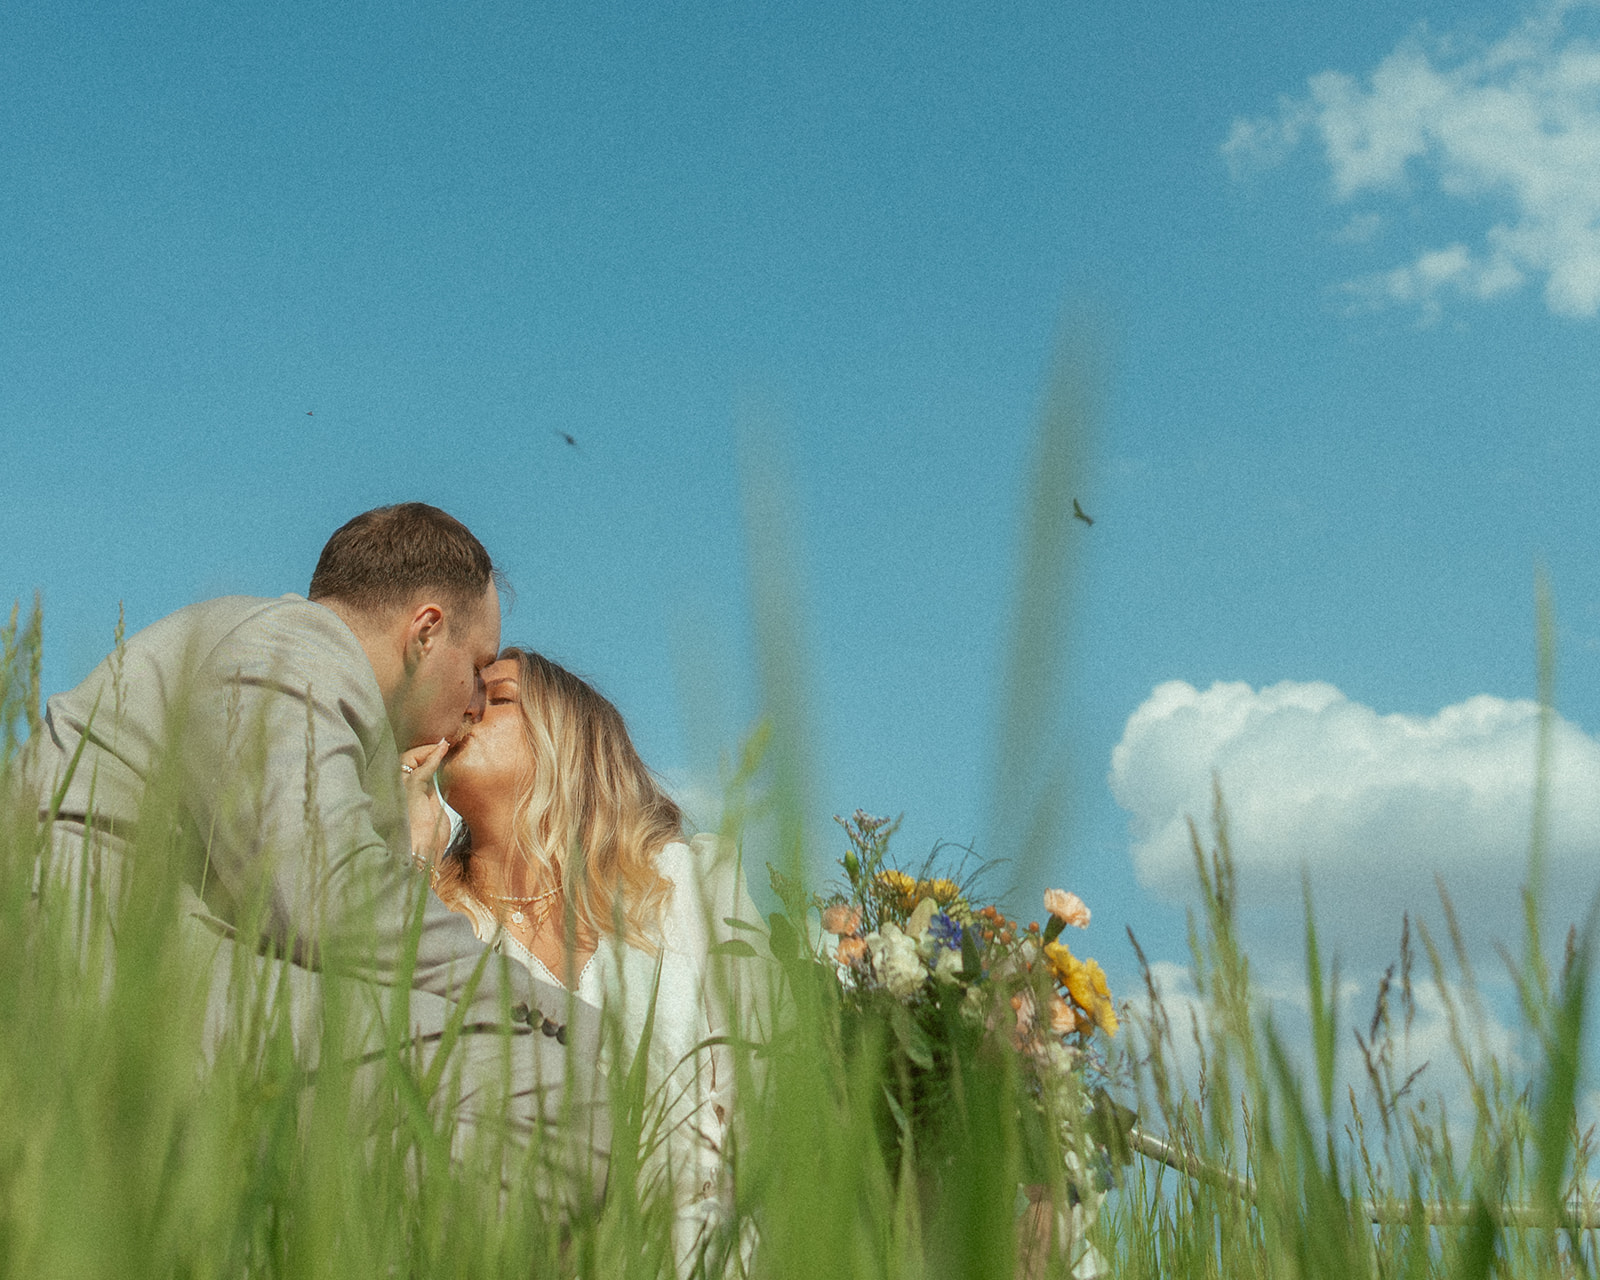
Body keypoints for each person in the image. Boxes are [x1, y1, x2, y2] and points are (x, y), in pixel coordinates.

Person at [26, 503, 607, 1197]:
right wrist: (546, 1008)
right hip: (97, 965)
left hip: (163, 967)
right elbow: (321, 895)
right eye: (479, 666)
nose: (479, 699)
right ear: (426, 632)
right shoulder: (294, 646)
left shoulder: (327, 708)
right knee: (560, 1101)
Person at [425, 646, 762, 1264]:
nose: (462, 711)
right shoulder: (432, 922)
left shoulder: (688, 882)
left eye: (496, 698)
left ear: (570, 740)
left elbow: (774, 1079)